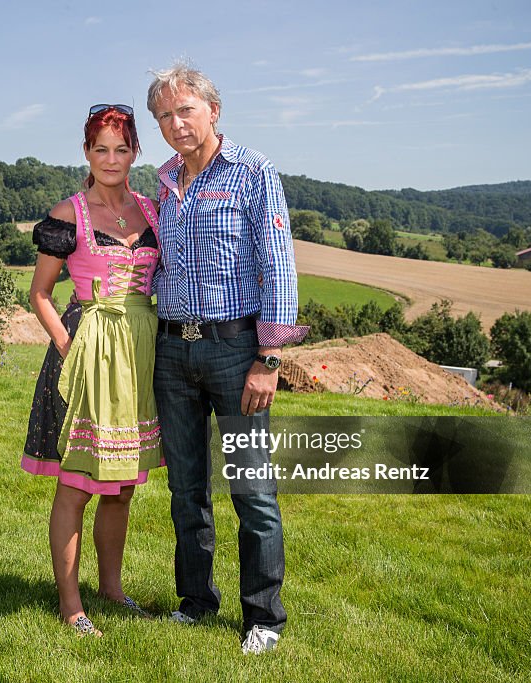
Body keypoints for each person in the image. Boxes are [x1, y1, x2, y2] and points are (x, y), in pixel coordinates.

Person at [146, 62, 309, 654]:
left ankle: (263, 617)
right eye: (163, 114)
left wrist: (269, 357)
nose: (175, 123)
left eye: (184, 109)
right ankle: (195, 601)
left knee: (251, 491)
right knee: (186, 488)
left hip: (236, 351)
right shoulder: (163, 181)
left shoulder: (252, 172)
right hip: (173, 350)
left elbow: (279, 264)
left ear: (213, 110)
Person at [21, 104, 163, 637]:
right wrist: (68, 347)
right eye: (101, 148)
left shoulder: (151, 209)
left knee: (122, 486)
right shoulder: (69, 213)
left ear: (134, 154)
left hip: (139, 355)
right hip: (86, 353)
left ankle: (112, 589)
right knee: (77, 483)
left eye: (121, 149)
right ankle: (71, 606)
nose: (111, 158)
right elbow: (39, 293)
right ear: (86, 152)